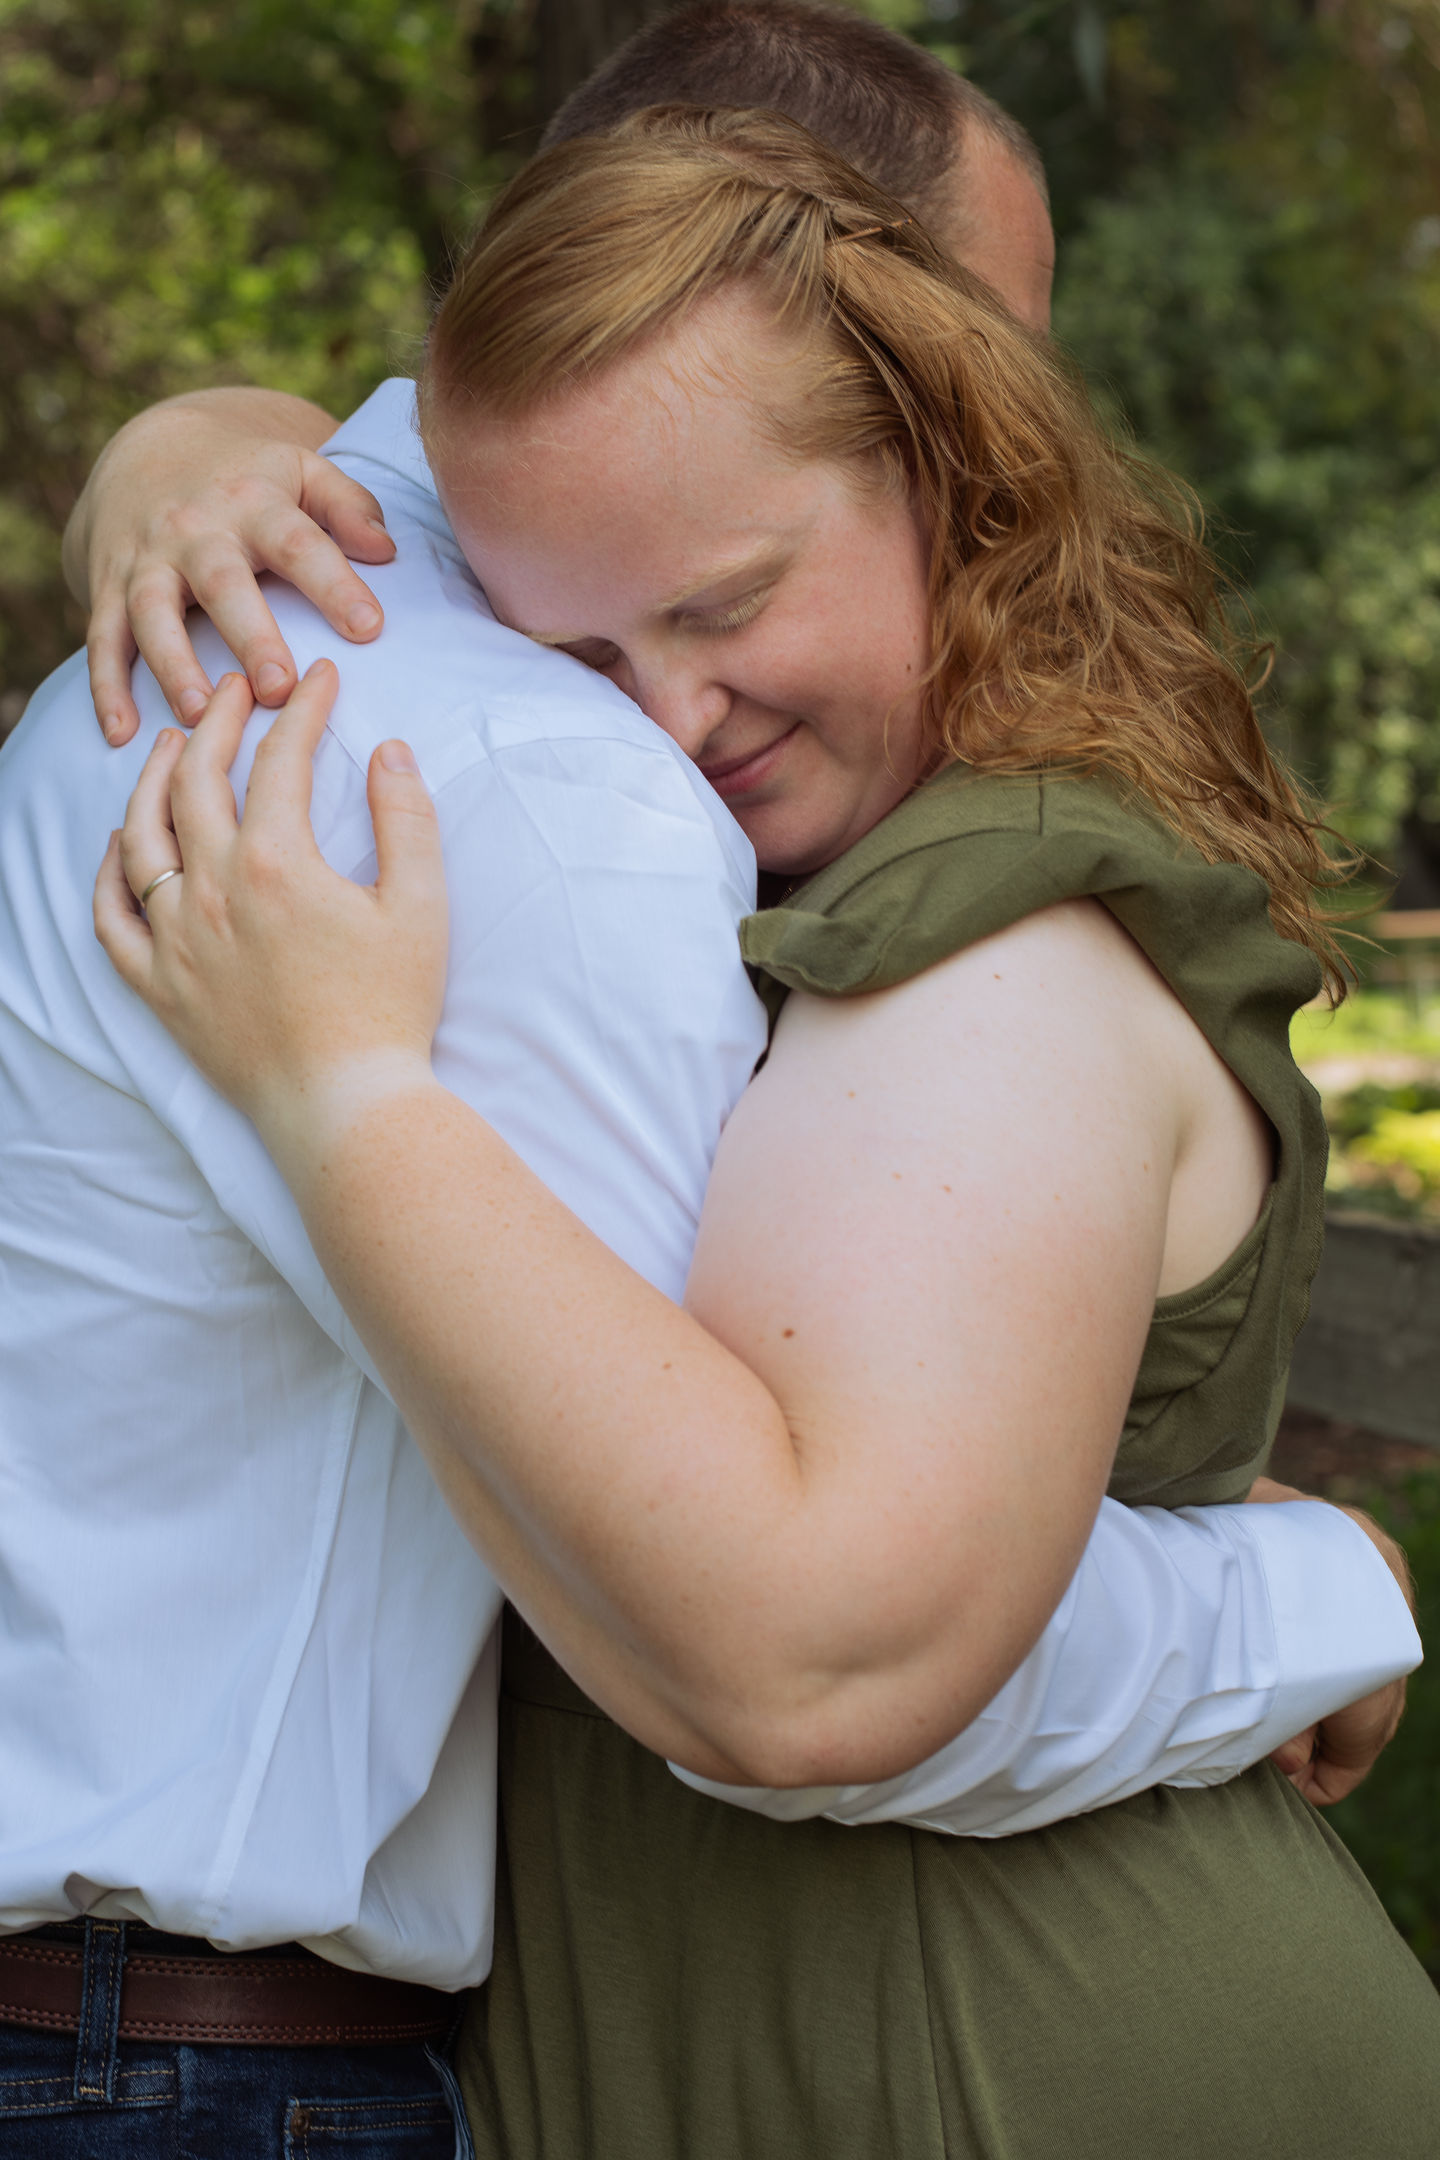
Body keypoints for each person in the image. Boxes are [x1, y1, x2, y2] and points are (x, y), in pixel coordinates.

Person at [0, 12, 1412, 2154]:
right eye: (981, 347)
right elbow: (780, 1636)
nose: (666, 708)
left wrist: (185, 438)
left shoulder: (387, 620)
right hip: (210, 2059)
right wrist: (1284, 1598)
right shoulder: (562, 792)